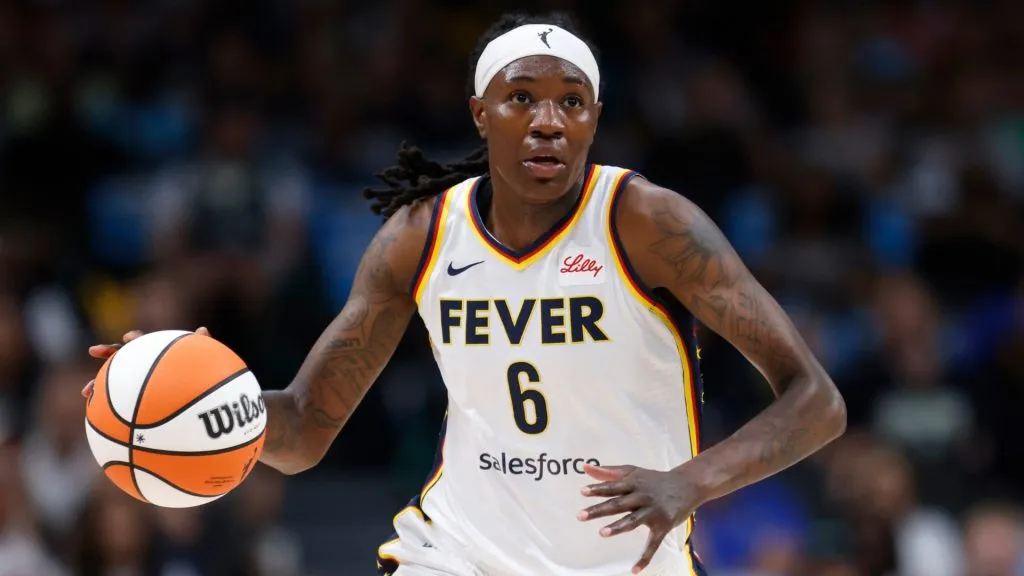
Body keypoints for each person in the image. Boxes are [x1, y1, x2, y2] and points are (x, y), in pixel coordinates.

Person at [84, 11, 847, 576]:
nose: (548, 120)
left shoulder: (647, 221)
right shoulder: (421, 234)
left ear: (595, 119)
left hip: (630, 564)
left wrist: (691, 481)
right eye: (522, 98)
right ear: (481, 113)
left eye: (572, 102)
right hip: (456, 555)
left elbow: (816, 400)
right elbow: (307, 429)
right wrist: (182, 396)